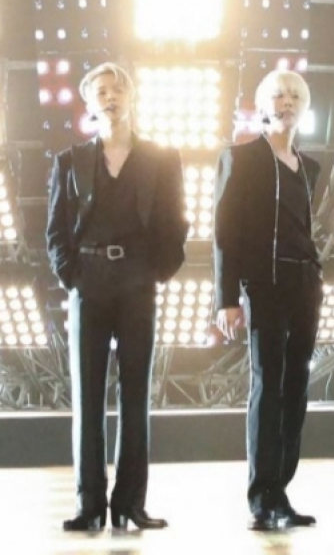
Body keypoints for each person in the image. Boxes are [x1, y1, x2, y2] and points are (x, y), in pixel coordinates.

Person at [46, 61, 188, 531]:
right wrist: (72, 276)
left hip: (137, 280)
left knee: (136, 395)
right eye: (102, 91)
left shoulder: (161, 158)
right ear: (89, 102)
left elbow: (176, 219)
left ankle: (130, 502)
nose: (111, 97)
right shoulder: (70, 161)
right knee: (88, 397)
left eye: (118, 89)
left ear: (131, 97)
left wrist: (159, 270)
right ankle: (89, 504)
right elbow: (55, 229)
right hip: (89, 280)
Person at [214, 69, 324, 531]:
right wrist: (226, 298)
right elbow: (225, 232)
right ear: (263, 105)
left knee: (297, 384)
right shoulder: (241, 159)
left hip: (305, 284)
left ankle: (282, 490)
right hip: (264, 285)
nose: (287, 102)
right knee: (268, 383)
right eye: (278, 95)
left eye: (294, 95)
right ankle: (262, 497)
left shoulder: (309, 167)